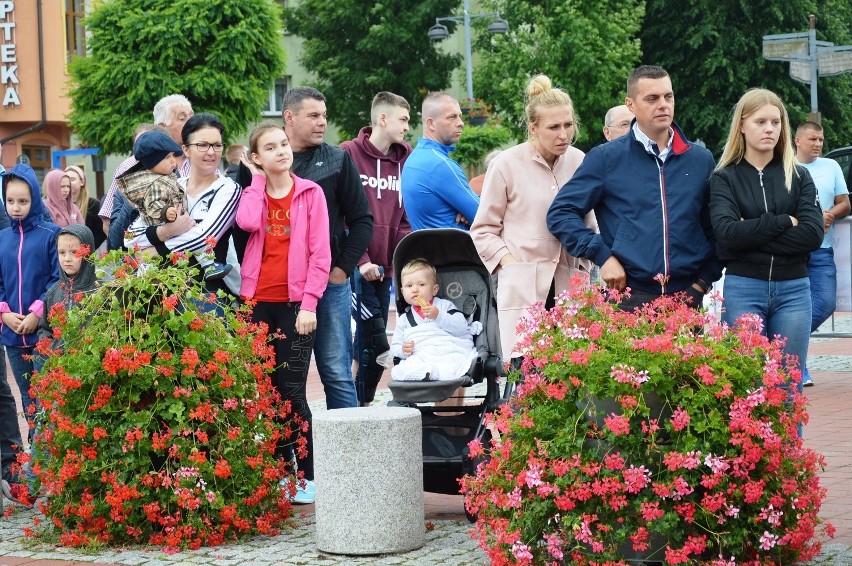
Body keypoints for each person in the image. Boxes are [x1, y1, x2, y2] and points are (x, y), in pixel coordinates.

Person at [547, 65, 721, 310]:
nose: (663, 104)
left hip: (687, 297)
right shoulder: (606, 159)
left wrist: (701, 284)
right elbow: (561, 213)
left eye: (668, 97)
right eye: (652, 98)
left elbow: (714, 229)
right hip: (629, 296)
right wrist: (602, 256)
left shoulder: (700, 159)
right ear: (630, 105)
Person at [236, 122, 330, 505]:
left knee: (291, 390)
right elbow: (247, 223)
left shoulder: (311, 193)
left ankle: (307, 475)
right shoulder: (252, 194)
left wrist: (310, 304)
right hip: (256, 304)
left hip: (296, 307)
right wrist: (258, 181)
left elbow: (321, 255)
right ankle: (280, 472)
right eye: (270, 148)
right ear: (257, 158)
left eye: (284, 144)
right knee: (267, 392)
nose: (281, 151)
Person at [708, 88, 823, 394]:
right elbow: (727, 234)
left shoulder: (798, 176)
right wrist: (784, 221)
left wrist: (751, 233)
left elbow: (812, 234)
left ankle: (790, 446)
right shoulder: (724, 178)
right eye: (761, 121)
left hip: (794, 290)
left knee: (788, 387)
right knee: (749, 387)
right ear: (742, 125)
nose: (770, 128)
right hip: (744, 287)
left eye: (776, 121)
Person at [472, 74, 592, 362]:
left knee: (571, 371)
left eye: (568, 124)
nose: (563, 134)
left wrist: (585, 264)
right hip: (523, 284)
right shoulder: (506, 164)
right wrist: (510, 263)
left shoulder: (580, 161)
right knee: (528, 373)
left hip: (569, 282)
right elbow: (483, 230)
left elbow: (591, 223)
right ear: (534, 128)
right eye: (554, 127)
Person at [282, 87, 373, 409]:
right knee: (284, 374)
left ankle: (348, 454)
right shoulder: (267, 159)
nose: (322, 123)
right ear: (289, 117)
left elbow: (362, 220)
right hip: (279, 288)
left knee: (336, 371)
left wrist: (341, 270)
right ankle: (292, 455)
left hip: (328, 285)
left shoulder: (337, 159)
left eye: (324, 116)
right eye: (313, 115)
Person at [340, 91, 412, 405]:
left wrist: (398, 260)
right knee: (378, 343)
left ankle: (359, 403)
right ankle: (359, 403)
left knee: (368, 346)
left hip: (387, 269)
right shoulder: (348, 154)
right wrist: (361, 260)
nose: (408, 127)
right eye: (403, 120)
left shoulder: (405, 159)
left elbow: (405, 215)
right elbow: (342, 214)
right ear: (383, 119)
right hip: (358, 267)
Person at [125, 113, 241, 304]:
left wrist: (153, 251)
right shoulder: (169, 186)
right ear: (185, 150)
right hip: (161, 291)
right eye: (202, 145)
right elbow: (130, 237)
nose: (211, 152)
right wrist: (167, 230)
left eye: (217, 145)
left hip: (209, 296)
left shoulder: (228, 189)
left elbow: (205, 238)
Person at [117, 130, 231, 280]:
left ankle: (208, 265)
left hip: (174, 222)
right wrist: (166, 212)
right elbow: (151, 206)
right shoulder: (155, 183)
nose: (173, 161)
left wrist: (155, 250)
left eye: (173, 156)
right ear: (152, 162)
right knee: (191, 238)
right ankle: (206, 265)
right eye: (167, 157)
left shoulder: (169, 178)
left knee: (193, 237)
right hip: (162, 220)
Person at [0, 164, 61, 443]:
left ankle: (43, 465)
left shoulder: (52, 234)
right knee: (29, 401)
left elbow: (57, 278)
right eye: (10, 201)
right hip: (13, 336)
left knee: (48, 400)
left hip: (44, 334)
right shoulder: (2, 238)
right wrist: (4, 313)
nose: (16, 207)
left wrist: (38, 311)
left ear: (34, 199)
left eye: (23, 201)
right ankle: (38, 466)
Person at [794, 121, 851, 387]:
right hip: (791, 250)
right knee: (794, 307)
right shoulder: (785, 167)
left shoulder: (831, 166)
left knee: (826, 303)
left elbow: (845, 203)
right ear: (797, 140)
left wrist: (829, 215)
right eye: (813, 139)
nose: (818, 144)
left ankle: (784, 345)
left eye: (821, 139)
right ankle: (797, 365)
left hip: (822, 249)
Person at [99, 93, 194, 233]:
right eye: (182, 118)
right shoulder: (129, 167)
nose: (191, 122)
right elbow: (108, 224)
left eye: (191, 116)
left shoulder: (201, 160)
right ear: (163, 126)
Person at [390, 258, 481, 381]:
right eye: (409, 286)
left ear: (434, 289)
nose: (415, 289)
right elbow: (395, 345)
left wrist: (439, 316)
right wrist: (402, 350)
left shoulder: (444, 306)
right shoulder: (404, 319)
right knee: (399, 370)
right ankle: (426, 372)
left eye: (421, 284)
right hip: (421, 353)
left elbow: (462, 328)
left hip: (447, 350)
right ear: (402, 291)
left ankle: (436, 373)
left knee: (451, 364)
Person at [401, 92, 480, 230]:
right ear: (431, 123)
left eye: (460, 116)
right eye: (452, 117)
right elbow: (485, 216)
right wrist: (471, 212)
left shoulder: (413, 159)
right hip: (456, 249)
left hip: (430, 249)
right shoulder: (440, 164)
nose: (461, 123)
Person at [65, 165, 106, 250]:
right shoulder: (60, 205)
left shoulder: (93, 204)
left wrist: (87, 250)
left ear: (82, 182)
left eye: (72, 179)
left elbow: (101, 232)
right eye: (66, 180)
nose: (69, 183)